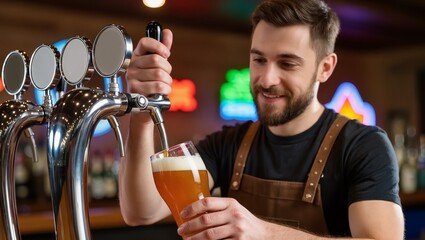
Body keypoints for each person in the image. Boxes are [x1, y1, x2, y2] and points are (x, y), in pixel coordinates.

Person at [118, 0, 405, 239]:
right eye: (259, 60)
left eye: (287, 63)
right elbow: (140, 211)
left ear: (325, 67)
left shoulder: (363, 146)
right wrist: (143, 111)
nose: (267, 79)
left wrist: (265, 233)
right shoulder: (230, 143)